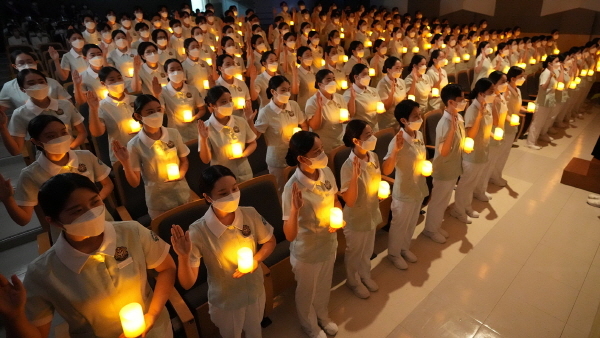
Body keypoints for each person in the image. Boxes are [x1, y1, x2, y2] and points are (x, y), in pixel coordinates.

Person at [0, 173, 175, 338]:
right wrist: (15, 317)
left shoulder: (131, 232)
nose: (91, 212)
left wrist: (152, 314)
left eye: (95, 202)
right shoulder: (44, 272)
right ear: (53, 221)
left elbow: (166, 268)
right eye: (77, 211)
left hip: (156, 331)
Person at [172, 165, 276, 338]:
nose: (232, 195)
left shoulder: (249, 214)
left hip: (255, 289)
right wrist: (183, 257)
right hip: (227, 301)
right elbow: (187, 283)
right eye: (223, 193)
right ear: (207, 197)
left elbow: (269, 241)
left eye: (234, 188)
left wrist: (256, 260)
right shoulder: (199, 231)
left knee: (255, 330)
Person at [0, 115, 113, 226]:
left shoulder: (85, 156)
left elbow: (107, 184)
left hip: (103, 220)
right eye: (51, 136)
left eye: (63, 132)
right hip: (67, 230)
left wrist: (92, 203)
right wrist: (7, 199)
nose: (60, 138)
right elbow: (23, 220)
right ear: (37, 142)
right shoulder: (31, 174)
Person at [282, 131, 342, 338]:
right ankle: (309, 324)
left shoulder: (325, 172)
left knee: (324, 284)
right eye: (316, 151)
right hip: (306, 251)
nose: (322, 154)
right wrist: (295, 210)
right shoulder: (292, 188)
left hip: (328, 242)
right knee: (307, 291)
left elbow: (335, 200)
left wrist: (338, 217)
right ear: (301, 158)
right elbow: (289, 234)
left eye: (322, 149)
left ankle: (323, 316)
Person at [112, 94, 193, 219]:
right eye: (150, 112)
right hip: (158, 201)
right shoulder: (134, 145)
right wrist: (125, 162)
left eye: (158, 110)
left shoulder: (173, 133)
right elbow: (134, 182)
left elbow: (184, 161)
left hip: (182, 193)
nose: (156, 114)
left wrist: (181, 174)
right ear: (139, 116)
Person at [382, 99, 428, 268]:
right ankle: (394, 253)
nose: (419, 118)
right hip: (404, 190)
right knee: (400, 224)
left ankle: (404, 248)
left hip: (418, 185)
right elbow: (386, 169)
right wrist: (395, 152)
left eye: (419, 114)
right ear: (403, 120)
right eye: (415, 116)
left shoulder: (419, 134)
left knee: (412, 220)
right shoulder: (397, 141)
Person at [1, 69, 87, 156]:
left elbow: (82, 132)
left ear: (47, 84)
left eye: (41, 81)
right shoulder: (20, 114)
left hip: (72, 152)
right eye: (31, 83)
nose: (38, 85)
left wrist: (69, 149)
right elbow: (16, 151)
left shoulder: (65, 105)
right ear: (22, 89)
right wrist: (3, 128)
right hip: (44, 158)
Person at [340, 120, 381, 299]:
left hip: (371, 210)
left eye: (372, 133)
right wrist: (356, 176)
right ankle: (353, 280)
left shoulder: (373, 157)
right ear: (356, 141)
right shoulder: (348, 166)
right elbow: (349, 199)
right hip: (356, 215)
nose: (372, 138)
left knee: (368, 248)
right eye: (367, 135)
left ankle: (365, 274)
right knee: (355, 251)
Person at [423, 84, 466, 243]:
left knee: (445, 199)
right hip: (444, 168)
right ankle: (430, 229)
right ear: (450, 102)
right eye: (460, 100)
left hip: (454, 165)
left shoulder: (458, 117)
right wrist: (452, 130)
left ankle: (435, 225)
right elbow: (443, 151)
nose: (464, 102)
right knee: (438, 200)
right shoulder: (445, 123)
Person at [254, 75, 308, 194]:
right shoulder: (266, 112)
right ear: (273, 91)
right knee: (282, 190)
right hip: (277, 158)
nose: (287, 93)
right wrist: (249, 120)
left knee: (298, 187)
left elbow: (304, 124)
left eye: (288, 89)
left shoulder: (293, 105)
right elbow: (256, 136)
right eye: (283, 90)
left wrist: (301, 140)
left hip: (296, 154)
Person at [452, 78, 494, 224]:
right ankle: (458, 209)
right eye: (491, 92)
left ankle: (467, 206)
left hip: (483, 150)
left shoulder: (485, 106)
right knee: (466, 183)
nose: (493, 94)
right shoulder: (472, 110)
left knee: (473, 182)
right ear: (481, 94)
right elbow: (470, 134)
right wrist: (479, 117)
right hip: (472, 153)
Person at [198, 86, 257, 183]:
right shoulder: (206, 127)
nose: (229, 104)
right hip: (221, 177)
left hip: (244, 172)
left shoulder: (240, 121)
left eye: (230, 100)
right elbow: (206, 160)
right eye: (223, 102)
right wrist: (203, 139)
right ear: (213, 105)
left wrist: (244, 154)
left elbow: (252, 143)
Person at [88, 66, 140, 164]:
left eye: (119, 78)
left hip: (143, 149)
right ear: (103, 83)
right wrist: (93, 110)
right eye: (112, 80)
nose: (117, 82)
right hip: (123, 154)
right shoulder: (102, 106)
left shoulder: (136, 100)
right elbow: (97, 133)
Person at [0, 50, 70, 110]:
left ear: (36, 63)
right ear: (15, 66)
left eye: (29, 62)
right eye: (21, 63)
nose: (27, 66)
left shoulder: (52, 82)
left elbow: (68, 105)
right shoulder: (9, 86)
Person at [158, 58, 206, 142]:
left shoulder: (192, 89)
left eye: (179, 69)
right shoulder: (163, 92)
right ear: (166, 74)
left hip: (193, 130)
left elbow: (202, 109)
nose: (176, 72)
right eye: (172, 70)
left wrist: (195, 117)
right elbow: (160, 112)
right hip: (175, 130)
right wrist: (156, 95)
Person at [494, 66, 526, 185]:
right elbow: (504, 110)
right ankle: (495, 175)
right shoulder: (506, 91)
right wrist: (509, 119)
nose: (523, 79)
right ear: (512, 78)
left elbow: (515, 105)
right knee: (501, 152)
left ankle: (497, 174)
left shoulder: (517, 90)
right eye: (520, 77)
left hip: (513, 123)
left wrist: (524, 109)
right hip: (506, 125)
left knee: (505, 152)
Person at [305, 69, 351, 153]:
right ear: (320, 84)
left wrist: (346, 119)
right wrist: (319, 107)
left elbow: (346, 116)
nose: (333, 82)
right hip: (324, 145)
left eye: (333, 79)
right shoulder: (312, 101)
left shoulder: (339, 98)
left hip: (340, 141)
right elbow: (314, 126)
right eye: (328, 80)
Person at [527, 55, 561, 150]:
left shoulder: (552, 73)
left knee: (543, 120)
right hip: (542, 101)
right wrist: (550, 77)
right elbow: (543, 87)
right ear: (550, 63)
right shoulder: (545, 73)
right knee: (537, 122)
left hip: (549, 100)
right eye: (556, 61)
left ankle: (539, 136)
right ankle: (531, 142)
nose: (558, 63)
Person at [344, 63, 381, 132]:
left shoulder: (373, 90)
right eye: (364, 74)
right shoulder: (348, 95)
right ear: (356, 77)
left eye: (368, 74)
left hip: (375, 128)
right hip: (361, 131)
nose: (368, 77)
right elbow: (351, 114)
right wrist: (352, 98)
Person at [376, 56, 406, 130]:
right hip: (388, 122)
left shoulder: (401, 81)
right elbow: (386, 106)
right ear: (389, 69)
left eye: (400, 68)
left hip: (400, 119)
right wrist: (392, 91)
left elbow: (404, 99)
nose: (399, 70)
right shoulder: (382, 84)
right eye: (397, 68)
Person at [295, 46, 318, 111]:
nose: (310, 58)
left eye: (311, 55)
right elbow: (295, 91)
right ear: (299, 58)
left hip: (316, 104)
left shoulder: (315, 70)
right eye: (307, 55)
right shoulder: (297, 73)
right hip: (304, 105)